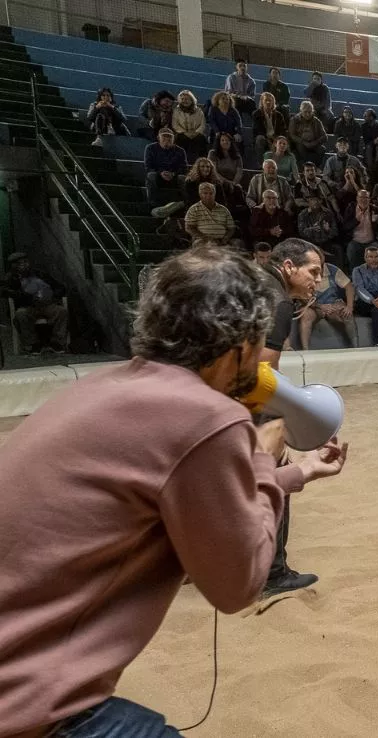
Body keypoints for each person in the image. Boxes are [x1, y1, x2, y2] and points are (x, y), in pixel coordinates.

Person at [0, 247, 348, 738]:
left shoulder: (101, 387)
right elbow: (237, 587)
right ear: (241, 346)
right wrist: (263, 458)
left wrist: (300, 471)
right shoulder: (206, 416)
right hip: (29, 705)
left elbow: (192, 504)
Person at [260, 238, 327, 597]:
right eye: (312, 272)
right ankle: (272, 574)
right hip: (239, 394)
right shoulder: (279, 302)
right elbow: (263, 372)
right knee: (275, 478)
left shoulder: (253, 282)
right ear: (288, 266)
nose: (317, 280)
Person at [3, 251, 68, 353]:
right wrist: (26, 296)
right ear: (14, 266)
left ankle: (57, 343)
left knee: (61, 311)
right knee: (21, 314)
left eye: (26, 262)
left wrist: (52, 295)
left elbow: (59, 287)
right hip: (28, 306)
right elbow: (7, 292)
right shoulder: (10, 278)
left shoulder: (39, 274)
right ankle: (32, 344)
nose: (24, 265)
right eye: (20, 263)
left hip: (46, 304)